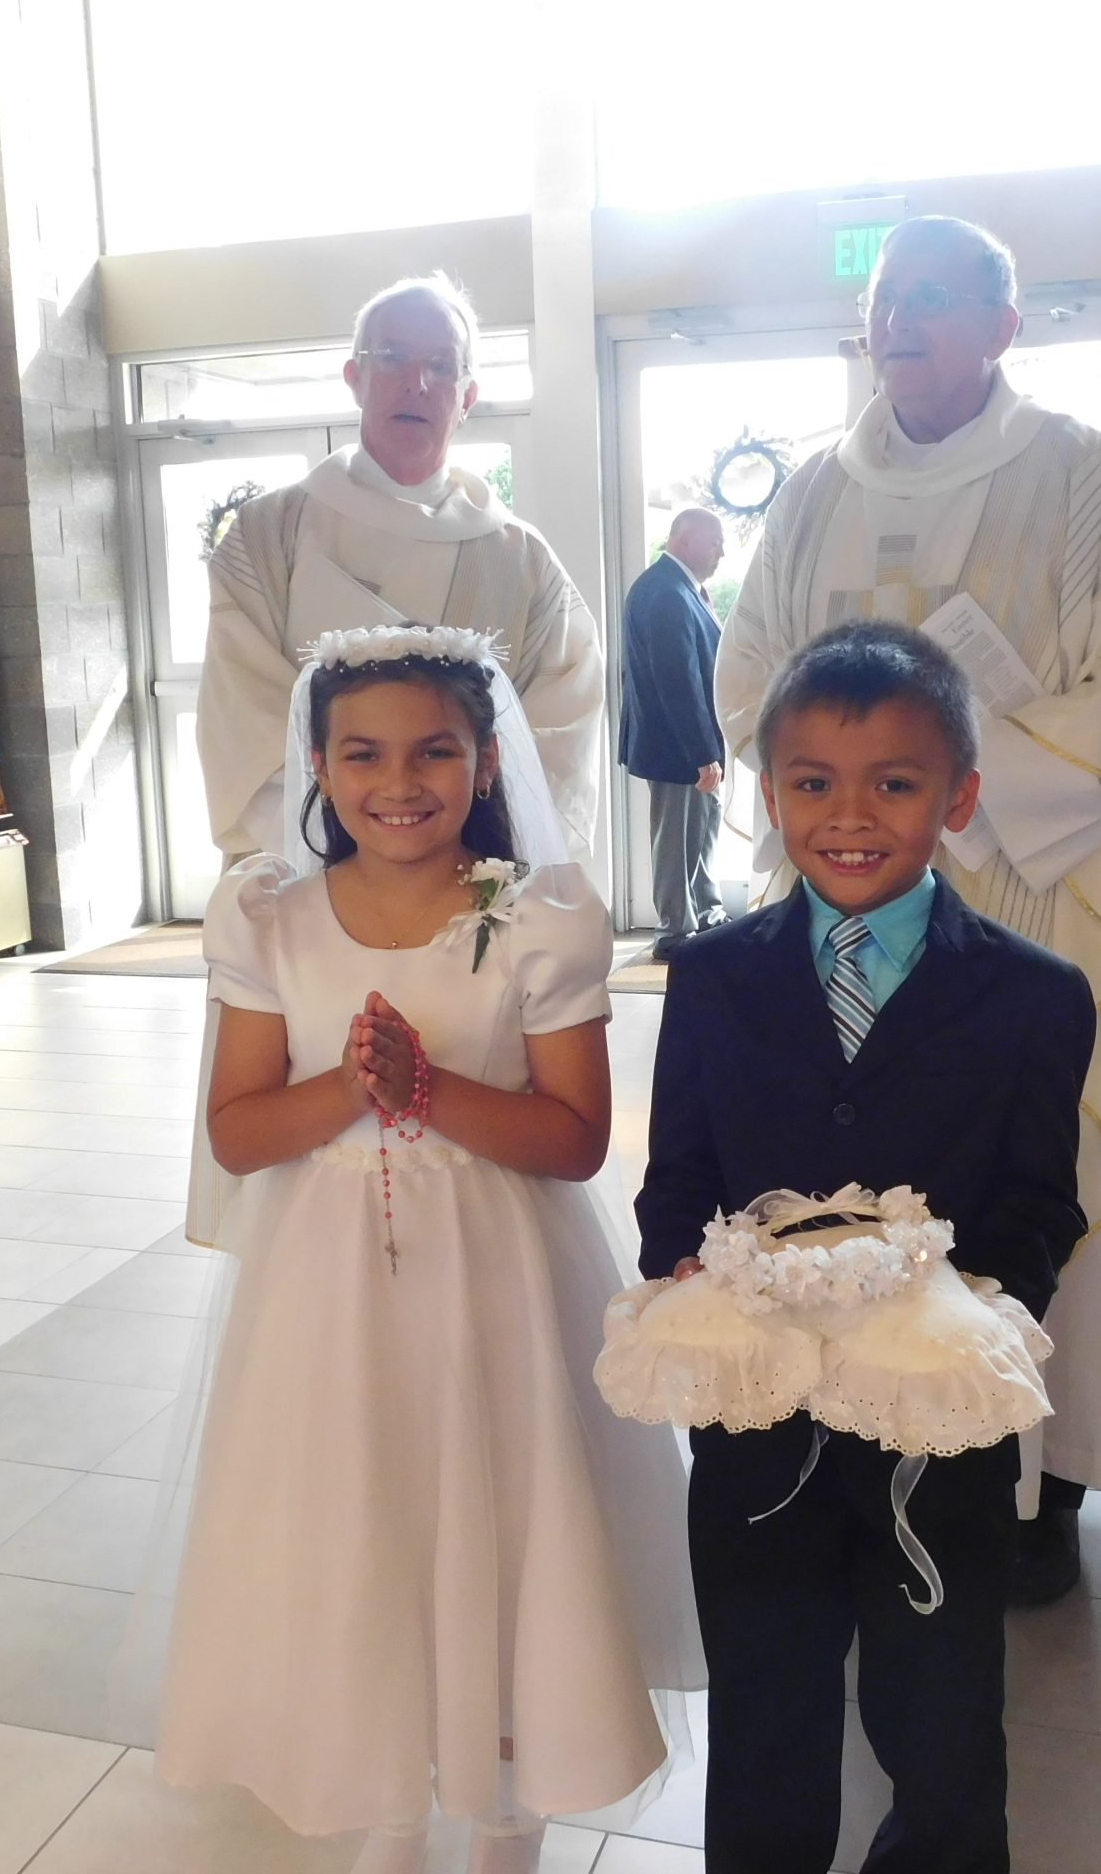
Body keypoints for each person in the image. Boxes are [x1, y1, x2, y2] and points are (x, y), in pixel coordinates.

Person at [716, 215, 1101, 1605]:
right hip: (845, 889)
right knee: (845, 1164)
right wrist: (855, 799)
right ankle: (848, 1444)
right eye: (887, 300)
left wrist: (961, 795)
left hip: (1027, 887)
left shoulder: (1085, 476)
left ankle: (1037, 1483)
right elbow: (750, 670)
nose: (901, 323)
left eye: (934, 298)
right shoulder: (812, 490)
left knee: (1023, 1176)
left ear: (1005, 326)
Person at [156, 627, 699, 1874]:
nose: (397, 782)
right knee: (360, 1520)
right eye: (362, 754)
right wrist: (352, 1089)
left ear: (486, 761)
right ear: (316, 763)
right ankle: (389, 1807)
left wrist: (426, 1090)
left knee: (503, 1515)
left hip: (496, 1276)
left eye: (434, 752)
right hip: (324, 1289)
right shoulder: (272, 918)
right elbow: (238, 1134)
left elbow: (573, 1139)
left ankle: (508, 1818)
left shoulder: (537, 917)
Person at [640, 621, 1095, 1874]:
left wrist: (968, 1307)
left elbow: (1039, 1202)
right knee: (765, 1697)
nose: (849, 816)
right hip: (755, 1414)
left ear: (960, 798)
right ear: (768, 792)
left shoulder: (1035, 995)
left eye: (893, 783)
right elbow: (678, 1176)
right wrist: (689, 1267)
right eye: (811, 782)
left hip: (933, 1426)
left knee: (939, 1709)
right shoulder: (711, 978)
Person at [199, 274, 605, 867]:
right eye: (391, 357)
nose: (417, 383)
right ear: (354, 377)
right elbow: (243, 720)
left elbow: (562, 724)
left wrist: (457, 855)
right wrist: (351, 859)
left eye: (441, 366)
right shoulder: (269, 533)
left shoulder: (521, 558)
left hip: (471, 874)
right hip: (307, 869)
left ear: (467, 396)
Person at [620, 507, 730, 960]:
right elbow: (677, 680)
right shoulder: (666, 592)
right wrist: (702, 752)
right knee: (676, 841)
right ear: (684, 540)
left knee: (700, 833)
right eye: (714, 542)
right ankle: (674, 933)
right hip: (677, 747)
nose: (722, 552)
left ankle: (706, 916)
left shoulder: (680, 589)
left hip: (687, 743)